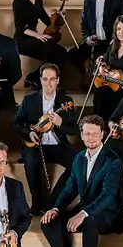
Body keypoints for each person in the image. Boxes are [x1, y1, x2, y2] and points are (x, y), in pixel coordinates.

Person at [41, 115, 123, 247]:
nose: (90, 137)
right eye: (87, 134)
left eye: (95, 134)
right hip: (88, 208)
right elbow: (70, 189)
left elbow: (108, 196)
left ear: (102, 134)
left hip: (111, 212)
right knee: (49, 222)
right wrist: (56, 208)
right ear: (82, 136)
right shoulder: (79, 158)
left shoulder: (113, 161)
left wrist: (83, 213)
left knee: (90, 220)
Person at [11, 63, 78, 214]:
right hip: (35, 143)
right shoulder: (29, 100)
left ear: (58, 80)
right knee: (30, 161)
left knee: (78, 163)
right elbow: (16, 124)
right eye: (45, 79)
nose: (49, 83)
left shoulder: (66, 101)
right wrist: (29, 133)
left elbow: (73, 129)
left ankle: (52, 203)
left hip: (58, 145)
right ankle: (36, 203)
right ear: (40, 80)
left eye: (52, 79)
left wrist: (60, 123)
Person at [12, 0, 68, 90]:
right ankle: (40, 82)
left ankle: (34, 78)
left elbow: (47, 21)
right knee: (49, 49)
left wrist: (58, 15)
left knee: (62, 52)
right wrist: (38, 35)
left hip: (34, 39)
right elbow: (20, 27)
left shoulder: (38, 1)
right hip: (22, 40)